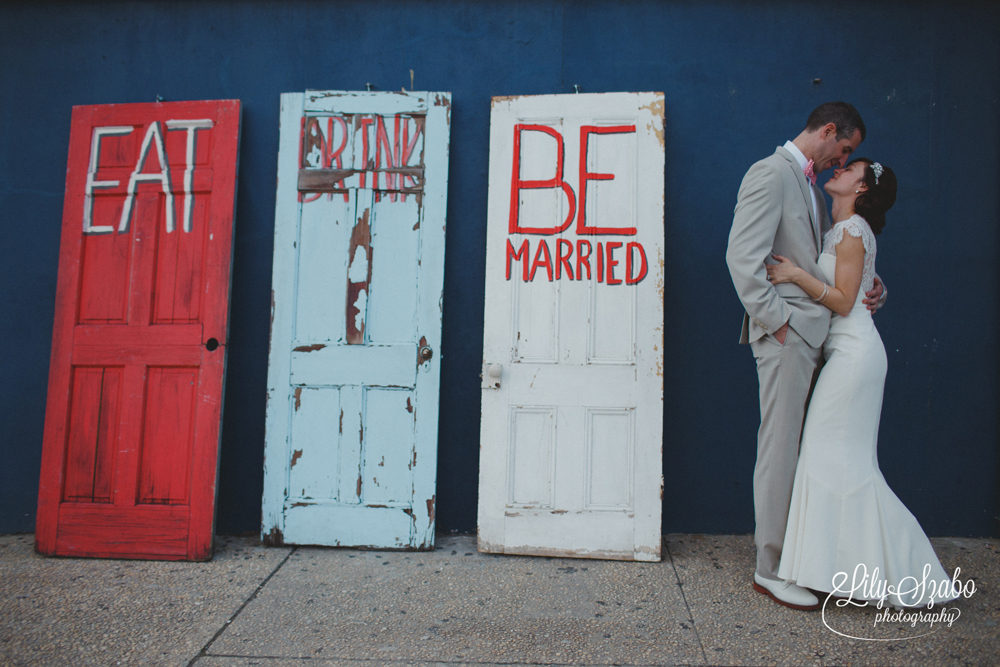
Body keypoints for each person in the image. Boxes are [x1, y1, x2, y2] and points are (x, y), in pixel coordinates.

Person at [767, 159, 957, 609]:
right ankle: (835, 570)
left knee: (841, 464)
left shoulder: (852, 230)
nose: (839, 168)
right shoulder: (842, 228)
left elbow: (844, 299)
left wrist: (795, 275)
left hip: (854, 358)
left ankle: (912, 575)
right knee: (832, 462)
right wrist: (876, 286)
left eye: (850, 167)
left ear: (862, 187)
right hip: (845, 355)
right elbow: (860, 284)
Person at [726, 102, 885, 611]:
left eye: (850, 158)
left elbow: (826, 262)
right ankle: (768, 570)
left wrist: (867, 283)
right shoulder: (771, 173)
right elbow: (742, 258)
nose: (843, 160)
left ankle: (797, 558)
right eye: (845, 149)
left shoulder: (811, 187)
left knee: (800, 450)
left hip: (817, 338)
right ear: (830, 131)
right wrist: (780, 325)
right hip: (788, 338)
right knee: (779, 448)